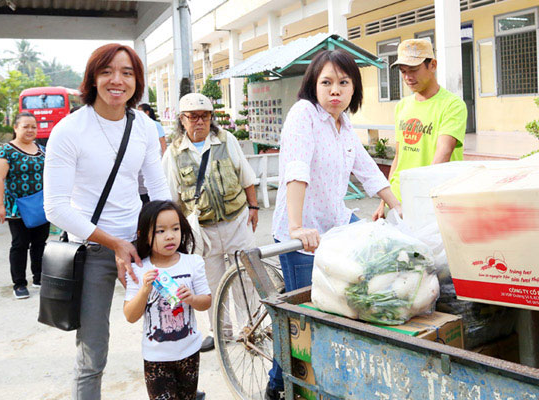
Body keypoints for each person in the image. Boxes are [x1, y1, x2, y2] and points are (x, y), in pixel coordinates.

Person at [267, 49, 402, 399]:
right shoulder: (304, 115)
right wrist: (297, 228)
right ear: (314, 85)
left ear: (354, 88)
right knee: (302, 319)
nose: (335, 91)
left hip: (336, 222)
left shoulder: (344, 124)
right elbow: (296, 170)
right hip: (301, 233)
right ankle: (278, 386)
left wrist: (397, 206)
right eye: (326, 82)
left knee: (357, 286)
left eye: (343, 83)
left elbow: (367, 168)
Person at [43, 43, 171, 399]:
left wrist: (171, 232)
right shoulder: (69, 130)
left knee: (169, 333)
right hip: (93, 250)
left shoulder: (143, 125)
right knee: (92, 351)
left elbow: (157, 187)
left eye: (127, 73)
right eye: (108, 72)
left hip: (143, 247)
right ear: (93, 78)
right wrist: (114, 243)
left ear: (137, 81)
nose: (118, 80)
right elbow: (55, 208)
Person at [161, 92, 259, 352]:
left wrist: (254, 206)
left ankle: (250, 327)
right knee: (211, 283)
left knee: (245, 277)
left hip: (236, 220)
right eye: (193, 117)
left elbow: (246, 176)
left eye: (204, 116)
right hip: (202, 229)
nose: (199, 122)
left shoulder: (227, 140)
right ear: (182, 120)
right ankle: (220, 333)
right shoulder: (173, 154)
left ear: (211, 118)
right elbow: (171, 198)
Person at [124, 200, 211, 400]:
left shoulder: (193, 262)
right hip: (156, 357)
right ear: (144, 235)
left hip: (189, 353)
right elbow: (130, 315)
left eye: (175, 228)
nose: (170, 235)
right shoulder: (138, 269)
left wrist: (193, 298)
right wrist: (144, 290)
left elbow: (206, 301)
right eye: (160, 231)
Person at [373, 38, 467, 220]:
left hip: (430, 200)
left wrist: (422, 201)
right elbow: (399, 158)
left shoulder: (452, 105)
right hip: (398, 201)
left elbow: (443, 153)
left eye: (414, 70)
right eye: (403, 71)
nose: (408, 77)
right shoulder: (402, 107)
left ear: (433, 65)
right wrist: (385, 202)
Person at [0, 112, 50, 299]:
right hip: (17, 207)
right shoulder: (4, 152)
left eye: (33, 126)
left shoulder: (42, 149)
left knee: (40, 243)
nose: (30, 130)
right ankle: (19, 283)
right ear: (15, 128)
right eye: (26, 126)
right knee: (20, 244)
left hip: (41, 205)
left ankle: (39, 277)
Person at [138, 103, 167, 205]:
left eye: (141, 112)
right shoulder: (137, 125)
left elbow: (163, 142)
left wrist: (164, 158)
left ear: (147, 112)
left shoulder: (154, 125)